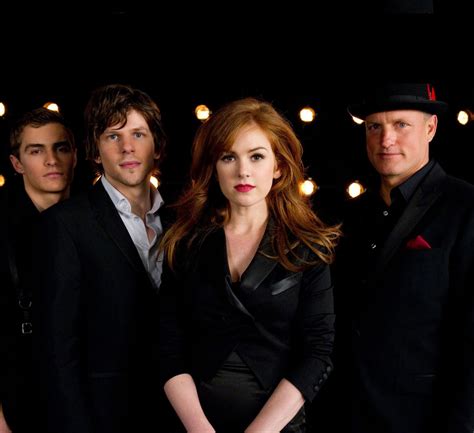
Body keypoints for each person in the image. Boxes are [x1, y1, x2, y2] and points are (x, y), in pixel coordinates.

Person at [158, 97, 341, 433]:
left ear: (278, 166)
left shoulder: (309, 248)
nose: (243, 171)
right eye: (228, 157)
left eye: (256, 156)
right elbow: (168, 348)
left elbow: (317, 353)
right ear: (214, 167)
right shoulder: (184, 244)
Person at [334, 82, 474, 433]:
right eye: (374, 126)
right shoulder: (348, 215)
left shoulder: (466, 207)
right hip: (347, 415)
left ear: (430, 128)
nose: (386, 140)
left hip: (425, 420)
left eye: (401, 125)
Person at [37, 84, 169, 433]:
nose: (127, 147)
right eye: (113, 136)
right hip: (102, 416)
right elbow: (57, 348)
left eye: (138, 134)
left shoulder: (182, 222)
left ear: (157, 146)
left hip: (178, 413)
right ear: (95, 150)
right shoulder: (65, 224)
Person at [0, 107, 77, 433]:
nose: (51, 160)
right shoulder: (3, 225)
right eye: (36, 151)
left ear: (75, 155)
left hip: (83, 400)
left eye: (61, 148)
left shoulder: (94, 218)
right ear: (17, 164)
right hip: (19, 399)